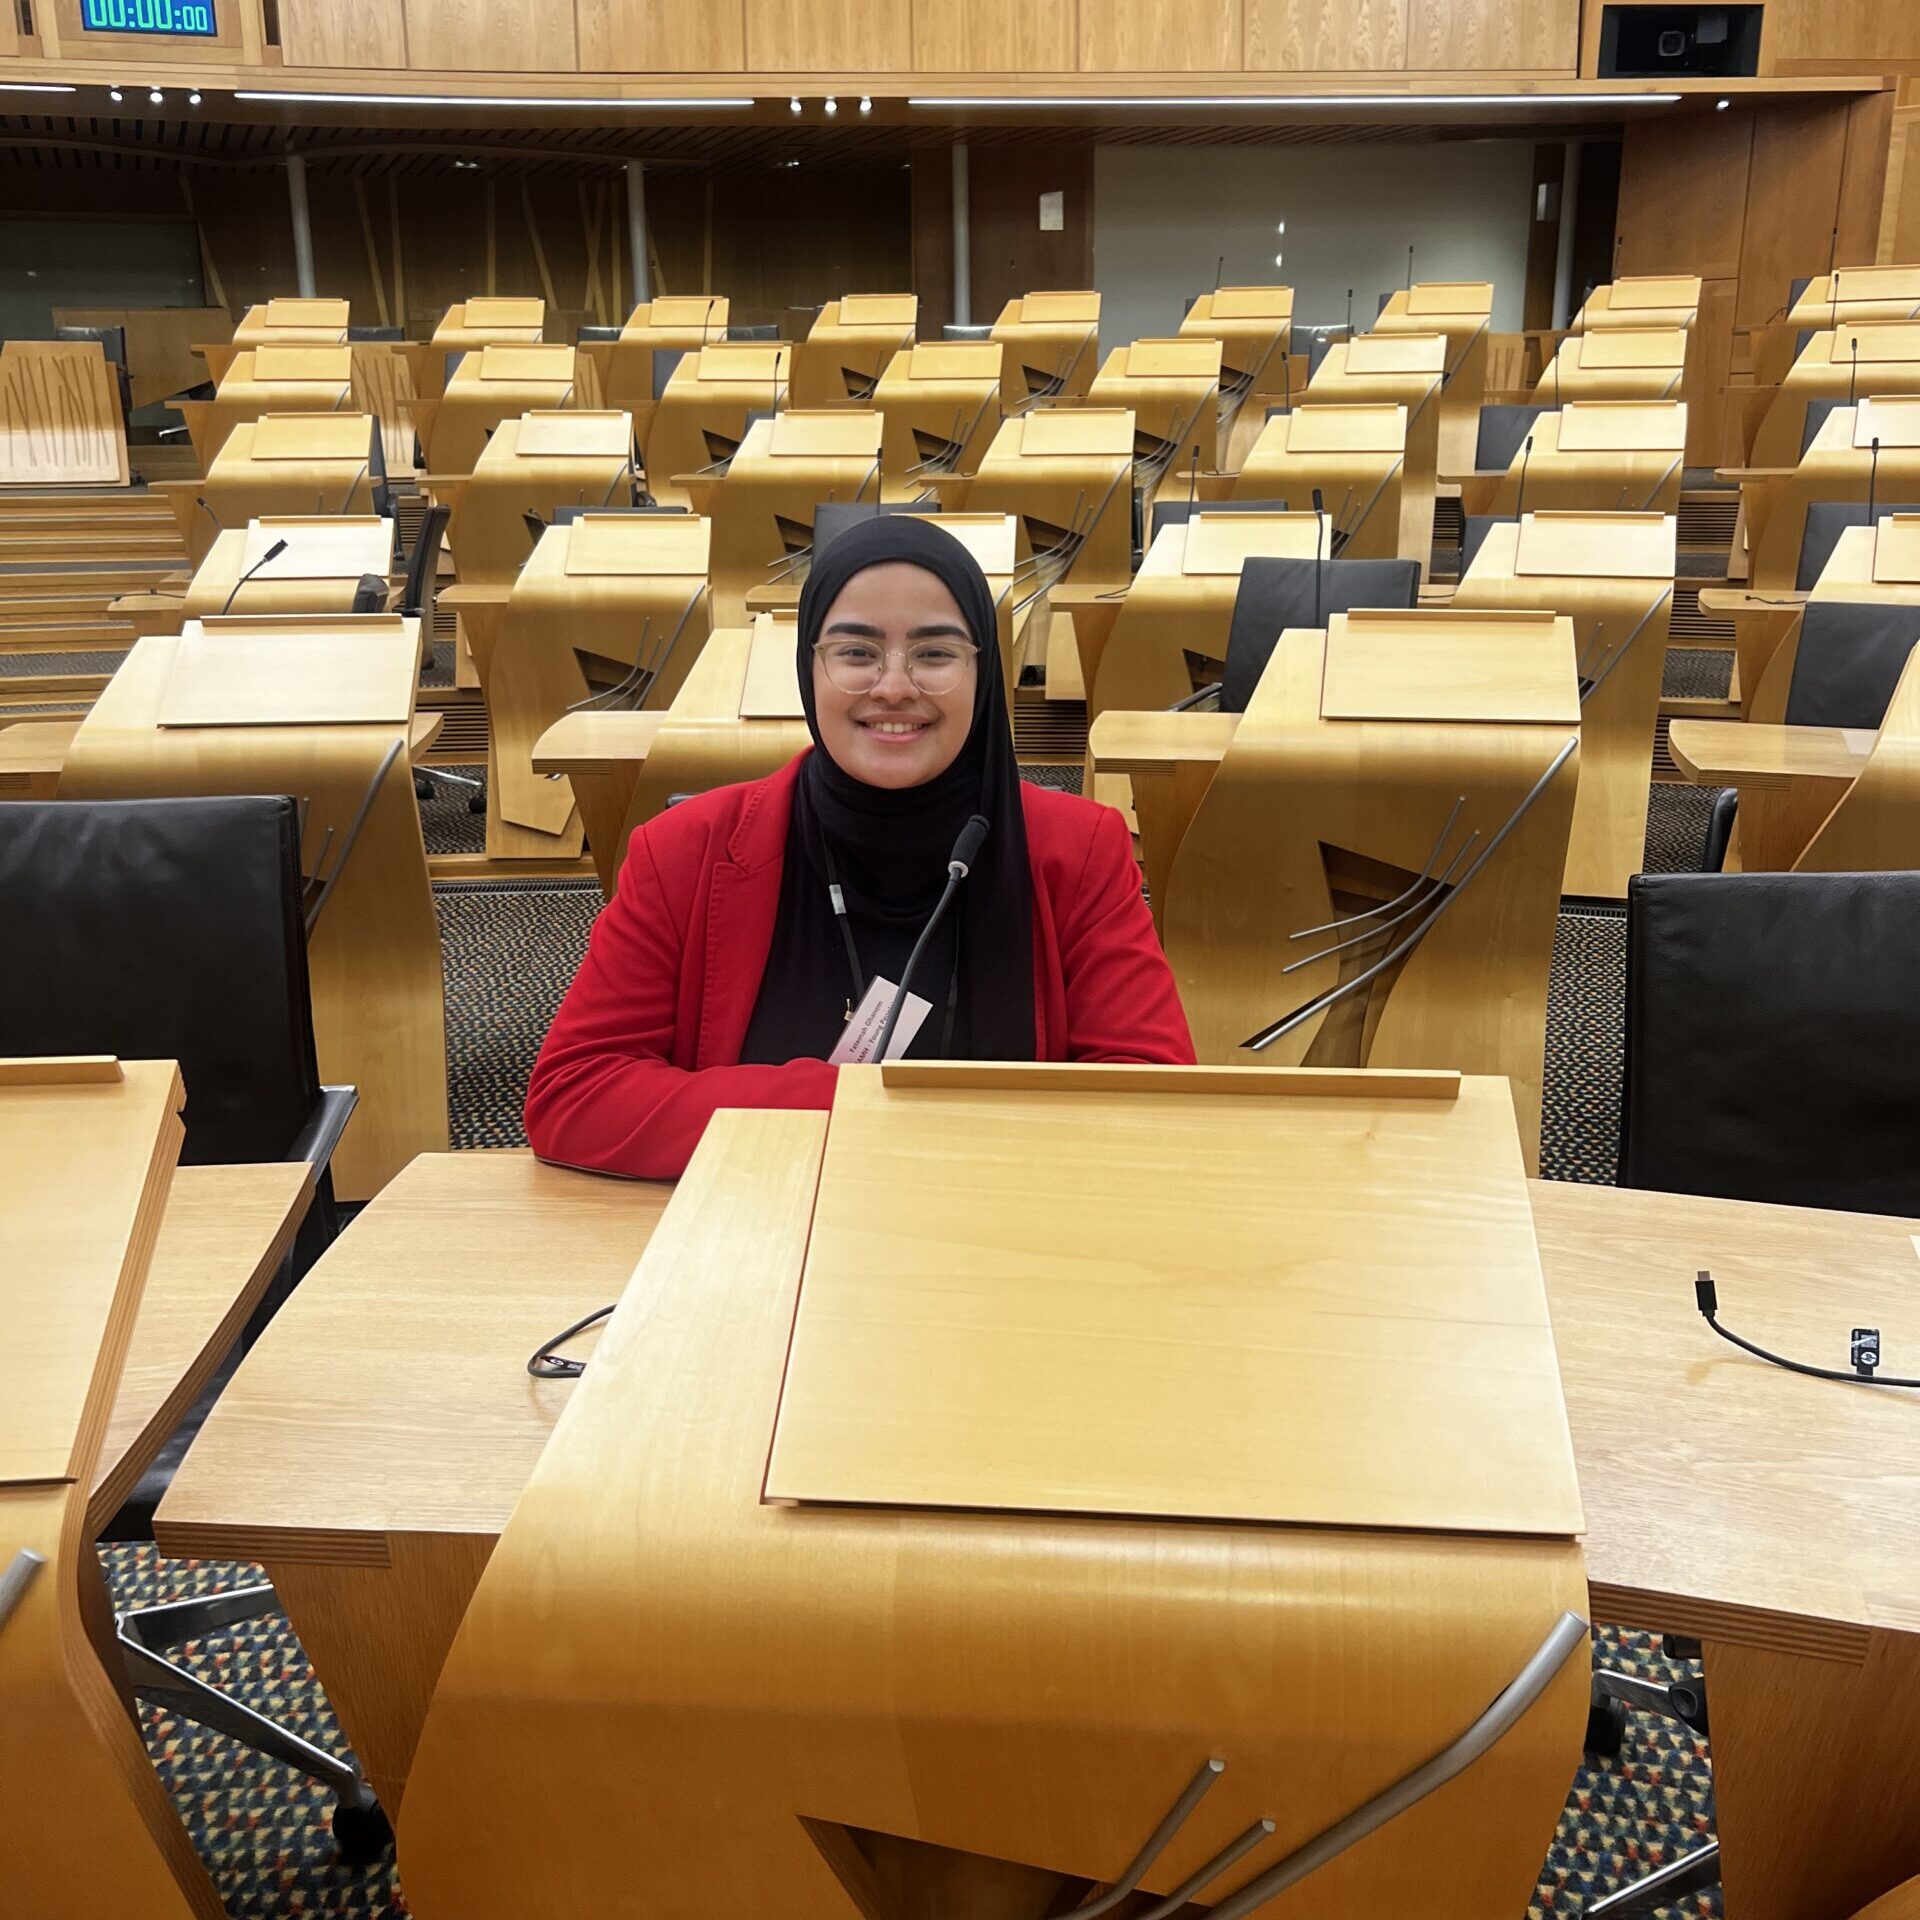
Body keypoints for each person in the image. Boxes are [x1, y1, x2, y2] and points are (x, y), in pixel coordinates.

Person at [525, 513, 1195, 1180]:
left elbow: (1155, 1098)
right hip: (761, 1227)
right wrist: (854, 1105)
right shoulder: (683, 851)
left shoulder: (1080, 851)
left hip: (994, 1228)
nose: (894, 686)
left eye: (934, 654)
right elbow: (575, 1095)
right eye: (856, 652)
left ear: (983, 673)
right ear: (809, 668)